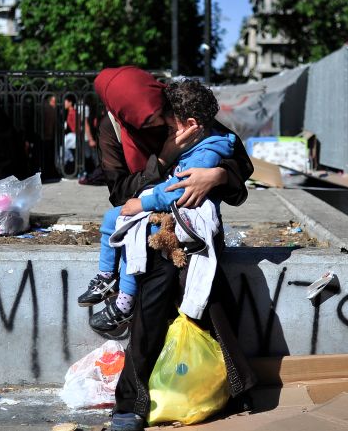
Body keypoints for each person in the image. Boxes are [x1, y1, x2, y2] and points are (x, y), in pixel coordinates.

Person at [92, 66, 257, 431]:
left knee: (206, 289)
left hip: (193, 224)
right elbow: (121, 194)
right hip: (145, 229)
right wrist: (163, 157)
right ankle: (131, 401)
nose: (155, 125)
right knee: (156, 288)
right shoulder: (113, 130)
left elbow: (240, 165)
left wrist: (217, 175)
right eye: (145, 122)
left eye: (158, 119)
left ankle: (232, 385)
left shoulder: (181, 109)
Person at [79, 79, 235, 335]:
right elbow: (124, 188)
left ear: (192, 125)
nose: (163, 127)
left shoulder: (206, 151)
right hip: (169, 207)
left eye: (170, 124)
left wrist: (143, 203)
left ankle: (125, 303)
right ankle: (107, 277)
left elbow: (179, 188)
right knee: (112, 219)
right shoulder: (196, 138)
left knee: (136, 237)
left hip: (184, 216)